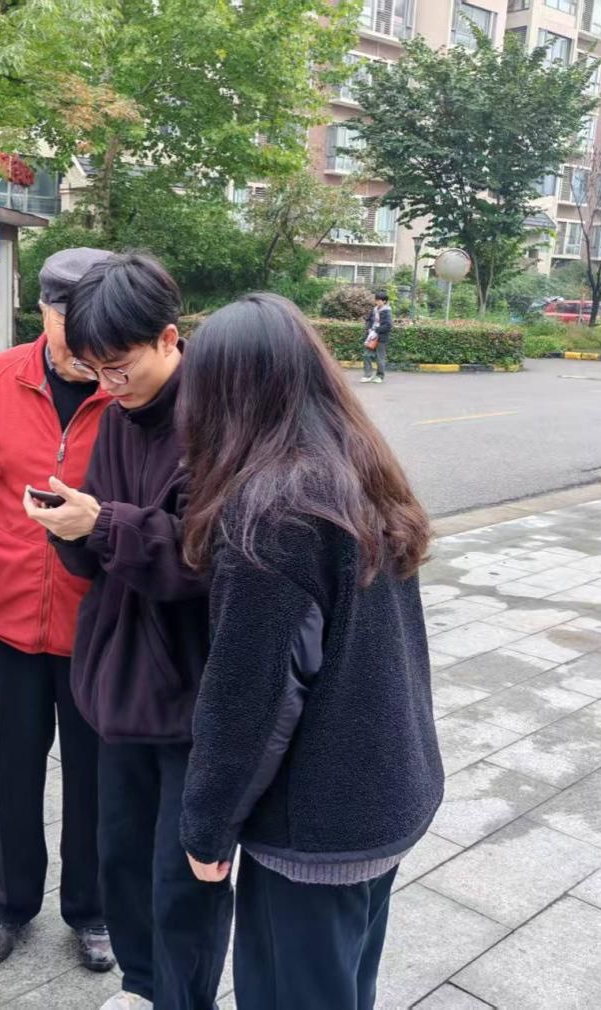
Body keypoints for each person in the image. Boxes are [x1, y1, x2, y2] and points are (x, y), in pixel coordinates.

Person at [176, 294, 444, 1010]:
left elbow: (252, 702)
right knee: (345, 984)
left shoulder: (273, 510)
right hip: (387, 793)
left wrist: (207, 829)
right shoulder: (356, 465)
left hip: (317, 827)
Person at [24, 253, 232, 1010]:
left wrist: (103, 523)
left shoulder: (216, 418)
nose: (108, 385)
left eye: (119, 367)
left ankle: (182, 999)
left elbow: (201, 557)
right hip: (120, 680)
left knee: (183, 877)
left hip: (193, 689)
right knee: (120, 856)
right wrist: (70, 527)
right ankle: (142, 987)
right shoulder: (117, 418)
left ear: (169, 338)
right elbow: (101, 552)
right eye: (95, 369)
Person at [0, 248, 116, 972]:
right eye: (72, 324)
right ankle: (10, 901)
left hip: (97, 627)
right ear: (45, 314)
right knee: (10, 774)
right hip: (11, 618)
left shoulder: (124, 392)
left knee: (96, 779)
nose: (89, 345)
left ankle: (93, 908)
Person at [361, 289, 393, 383]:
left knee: (380, 358)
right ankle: (367, 375)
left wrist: (376, 330)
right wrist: (368, 328)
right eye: (376, 300)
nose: (377, 302)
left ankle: (380, 376)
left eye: (379, 300)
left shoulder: (387, 311)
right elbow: (368, 320)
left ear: (384, 301)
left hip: (381, 337)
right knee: (366, 355)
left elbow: (388, 325)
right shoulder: (374, 309)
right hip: (371, 336)